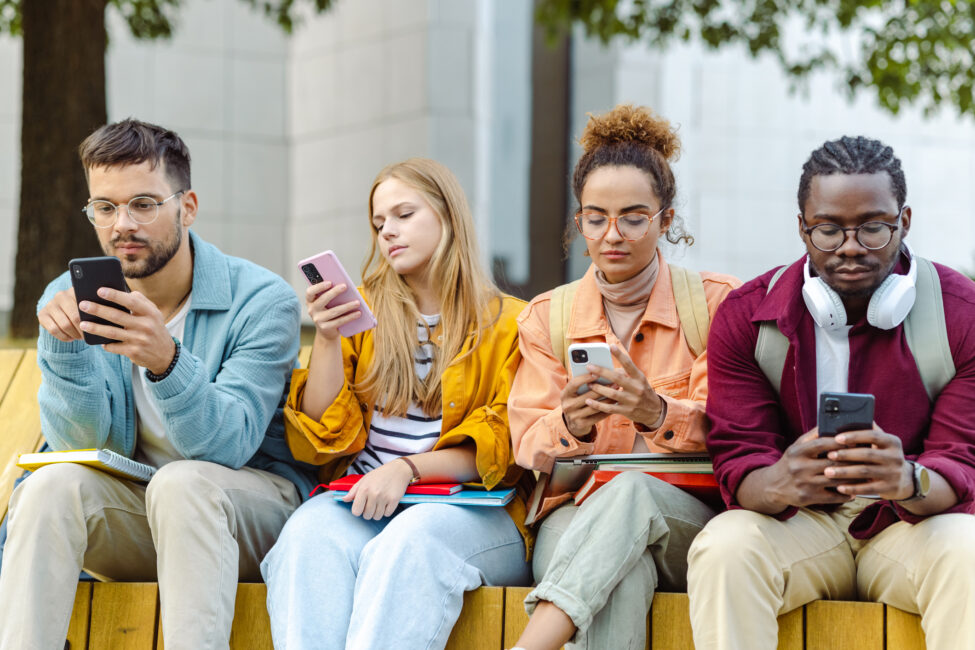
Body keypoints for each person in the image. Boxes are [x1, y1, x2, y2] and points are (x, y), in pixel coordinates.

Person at [0, 119, 316, 650]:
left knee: (184, 483)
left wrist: (168, 361)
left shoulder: (262, 301)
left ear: (187, 207)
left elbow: (227, 445)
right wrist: (64, 349)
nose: (122, 224)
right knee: (48, 489)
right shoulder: (69, 295)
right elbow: (80, 447)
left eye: (143, 204)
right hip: (142, 512)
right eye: (105, 207)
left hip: (250, 514)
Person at [686, 136, 975, 649]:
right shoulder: (747, 317)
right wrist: (782, 480)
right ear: (802, 227)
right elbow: (738, 464)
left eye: (873, 227)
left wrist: (908, 478)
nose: (849, 246)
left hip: (909, 526)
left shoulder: (962, 312)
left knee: (970, 551)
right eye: (828, 229)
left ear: (904, 222)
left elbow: (963, 465)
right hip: (800, 526)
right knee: (726, 547)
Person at [260, 157, 532, 650]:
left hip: (473, 510)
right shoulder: (361, 313)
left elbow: (500, 449)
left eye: (404, 214)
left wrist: (406, 469)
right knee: (305, 538)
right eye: (379, 221)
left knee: (410, 543)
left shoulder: (510, 324)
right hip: (364, 499)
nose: (388, 231)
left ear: (448, 216)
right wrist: (325, 336)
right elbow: (318, 437)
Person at [506, 104, 740, 650]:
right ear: (579, 220)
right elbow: (527, 444)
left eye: (634, 217)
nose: (613, 234)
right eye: (595, 217)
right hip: (579, 512)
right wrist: (572, 424)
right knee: (618, 569)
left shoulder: (716, 305)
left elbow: (738, 432)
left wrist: (656, 412)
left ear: (665, 219)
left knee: (633, 491)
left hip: (691, 518)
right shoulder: (548, 316)